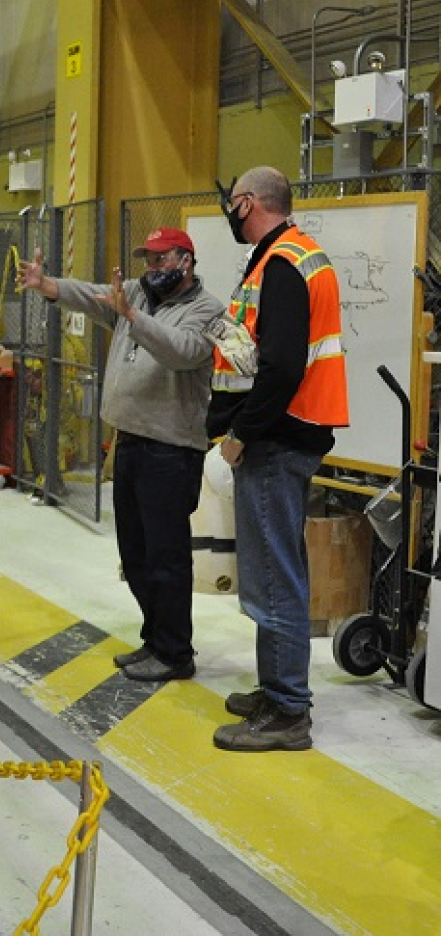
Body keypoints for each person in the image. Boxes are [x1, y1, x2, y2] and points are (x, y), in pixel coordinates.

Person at [17, 228, 226, 682]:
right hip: (130, 444)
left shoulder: (207, 310)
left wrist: (131, 315)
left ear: (186, 260)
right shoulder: (135, 294)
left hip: (172, 453)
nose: (151, 269)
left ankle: (175, 653)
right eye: (146, 261)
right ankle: (155, 640)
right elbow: (94, 297)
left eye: (159, 260)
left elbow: (182, 352)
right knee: (135, 554)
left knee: (167, 557)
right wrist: (48, 285)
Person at [207, 166, 350, 752]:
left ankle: (288, 710)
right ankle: (277, 689)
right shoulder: (281, 257)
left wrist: (240, 432)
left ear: (249, 203)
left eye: (232, 202)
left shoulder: (286, 263)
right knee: (273, 570)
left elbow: (284, 368)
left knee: (273, 578)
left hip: (275, 440)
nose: (229, 212)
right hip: (283, 437)